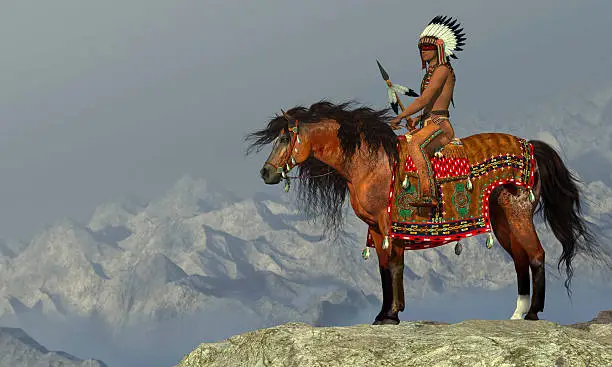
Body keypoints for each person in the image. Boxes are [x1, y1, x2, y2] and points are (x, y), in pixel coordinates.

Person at [390, 15, 467, 207]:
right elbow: (429, 103)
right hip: (428, 122)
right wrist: (417, 118)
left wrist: (402, 115)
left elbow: (425, 98)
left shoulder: (443, 70)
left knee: (416, 144)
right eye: (421, 48)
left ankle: (428, 193)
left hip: (440, 125)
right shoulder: (431, 73)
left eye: (427, 47)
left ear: (439, 47)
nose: (423, 51)